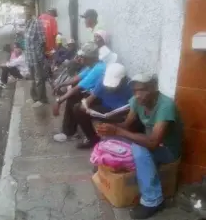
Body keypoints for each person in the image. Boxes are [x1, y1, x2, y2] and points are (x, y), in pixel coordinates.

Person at [99, 73, 182, 219]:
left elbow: (153, 142)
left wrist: (118, 131)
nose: (138, 95)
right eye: (135, 91)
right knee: (112, 142)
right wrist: (109, 128)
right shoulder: (137, 101)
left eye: (142, 90)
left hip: (168, 149)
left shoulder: (165, 105)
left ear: (154, 88)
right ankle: (106, 170)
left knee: (140, 149)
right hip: (152, 141)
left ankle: (153, 201)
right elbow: (126, 125)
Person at [52, 42, 106, 142]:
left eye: (83, 56)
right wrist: (61, 84)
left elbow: (77, 87)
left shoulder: (98, 69)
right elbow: (77, 78)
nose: (80, 58)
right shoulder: (92, 66)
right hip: (94, 94)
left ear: (90, 58)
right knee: (73, 95)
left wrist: (59, 101)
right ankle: (70, 131)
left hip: (101, 99)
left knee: (73, 96)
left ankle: (69, 132)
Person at [73, 63, 132, 149]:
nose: (110, 88)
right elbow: (90, 98)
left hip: (122, 115)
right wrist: (85, 107)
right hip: (105, 110)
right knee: (77, 108)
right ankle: (92, 139)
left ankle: (124, 142)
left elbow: (133, 109)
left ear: (123, 79)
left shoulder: (130, 86)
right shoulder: (102, 81)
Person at [25, 3, 47, 108]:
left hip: (36, 57)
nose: (26, 11)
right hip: (29, 57)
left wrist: (40, 57)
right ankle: (34, 98)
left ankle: (42, 99)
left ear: (33, 10)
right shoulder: (27, 23)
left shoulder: (37, 22)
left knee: (39, 79)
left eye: (28, 8)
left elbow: (43, 41)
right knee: (32, 79)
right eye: (25, 9)